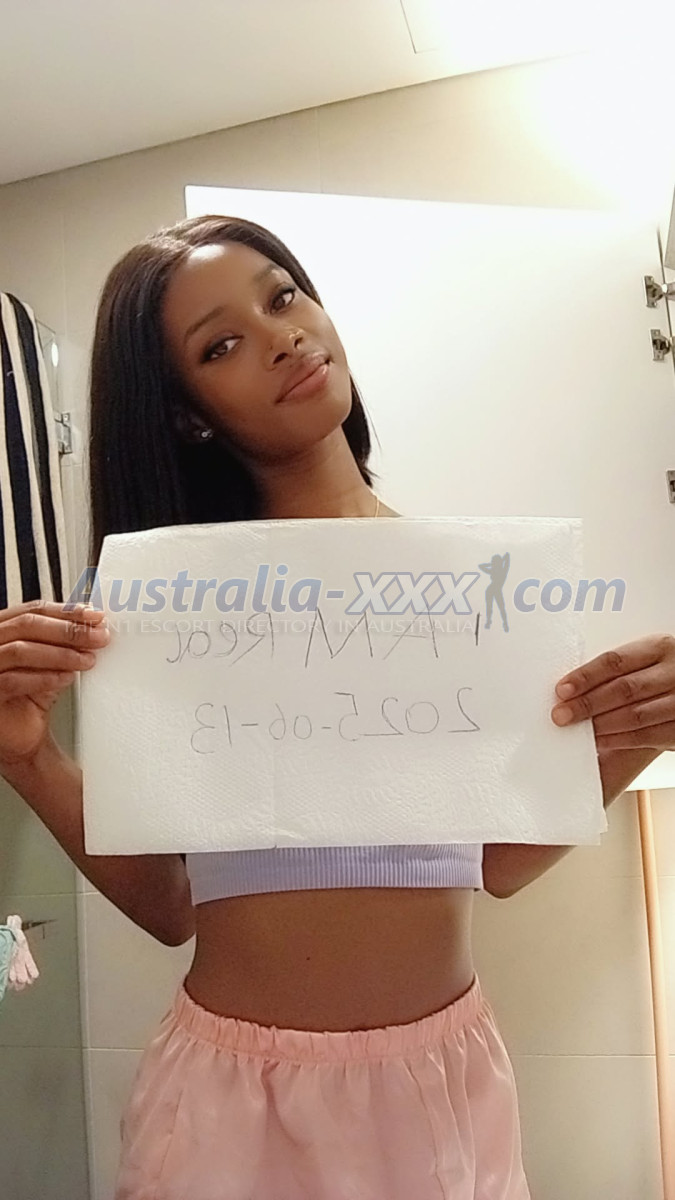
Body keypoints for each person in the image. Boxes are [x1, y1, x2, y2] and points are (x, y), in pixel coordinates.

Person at [0, 213, 672, 1200]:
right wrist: (29, 757)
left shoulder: (475, 588)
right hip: (233, 1103)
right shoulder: (177, 612)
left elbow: (493, 865)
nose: (281, 336)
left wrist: (638, 733)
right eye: (220, 345)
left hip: (443, 1085)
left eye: (283, 296)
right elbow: (171, 907)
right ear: (187, 414)